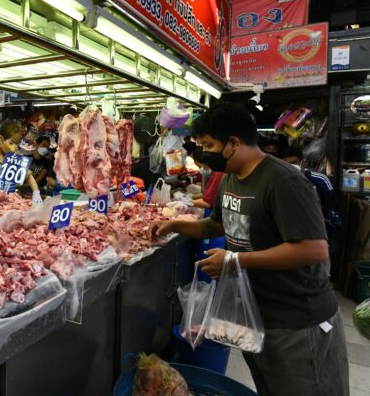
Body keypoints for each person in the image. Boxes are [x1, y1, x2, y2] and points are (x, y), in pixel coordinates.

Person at [148, 103, 348, 396]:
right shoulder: (231, 177)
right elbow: (215, 226)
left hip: (297, 323)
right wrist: (174, 225)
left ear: (233, 143)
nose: (204, 153)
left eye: (209, 145)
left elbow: (314, 250)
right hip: (256, 316)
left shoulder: (284, 181)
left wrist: (234, 260)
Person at [280, 146, 341, 263]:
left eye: (294, 162)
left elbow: (331, 206)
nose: (291, 166)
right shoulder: (277, 181)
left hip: (318, 235)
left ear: (302, 162)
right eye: (286, 163)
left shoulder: (320, 180)